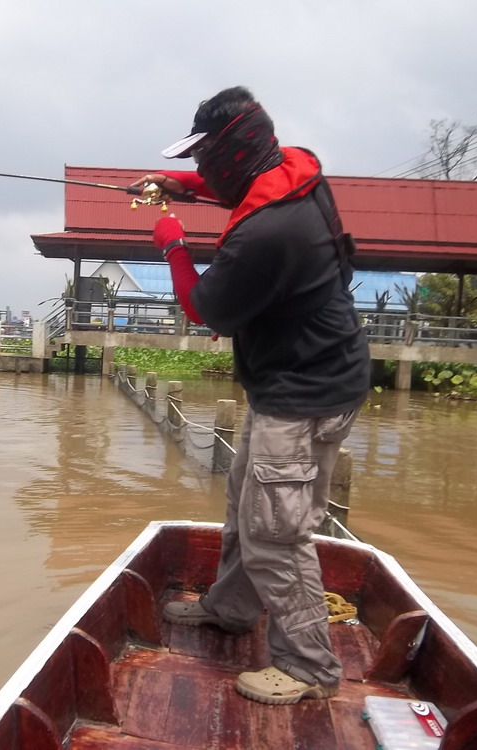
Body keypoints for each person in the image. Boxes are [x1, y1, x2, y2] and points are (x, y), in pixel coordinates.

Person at [135, 86, 370, 706]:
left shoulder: (267, 235)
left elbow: (207, 309)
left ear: (233, 152)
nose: (204, 168)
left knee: (274, 533)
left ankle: (310, 668)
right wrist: (183, 185)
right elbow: (242, 190)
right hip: (297, 381)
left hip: (304, 396)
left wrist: (171, 241)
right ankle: (231, 610)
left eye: (207, 158)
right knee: (247, 504)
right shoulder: (298, 168)